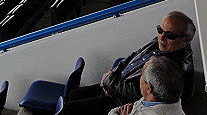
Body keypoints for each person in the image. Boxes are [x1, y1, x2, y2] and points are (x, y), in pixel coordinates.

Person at [60, 11, 195, 115]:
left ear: (186, 40)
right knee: (74, 94)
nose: (161, 37)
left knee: (68, 109)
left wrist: (109, 81)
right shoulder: (162, 42)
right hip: (115, 82)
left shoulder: (173, 68)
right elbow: (134, 56)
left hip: (121, 100)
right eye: (160, 30)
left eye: (169, 35)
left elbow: (142, 93)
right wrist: (113, 73)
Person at [108, 57, 186, 115]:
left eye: (142, 75)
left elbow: (113, 112)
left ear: (149, 88)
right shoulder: (169, 103)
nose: (139, 78)